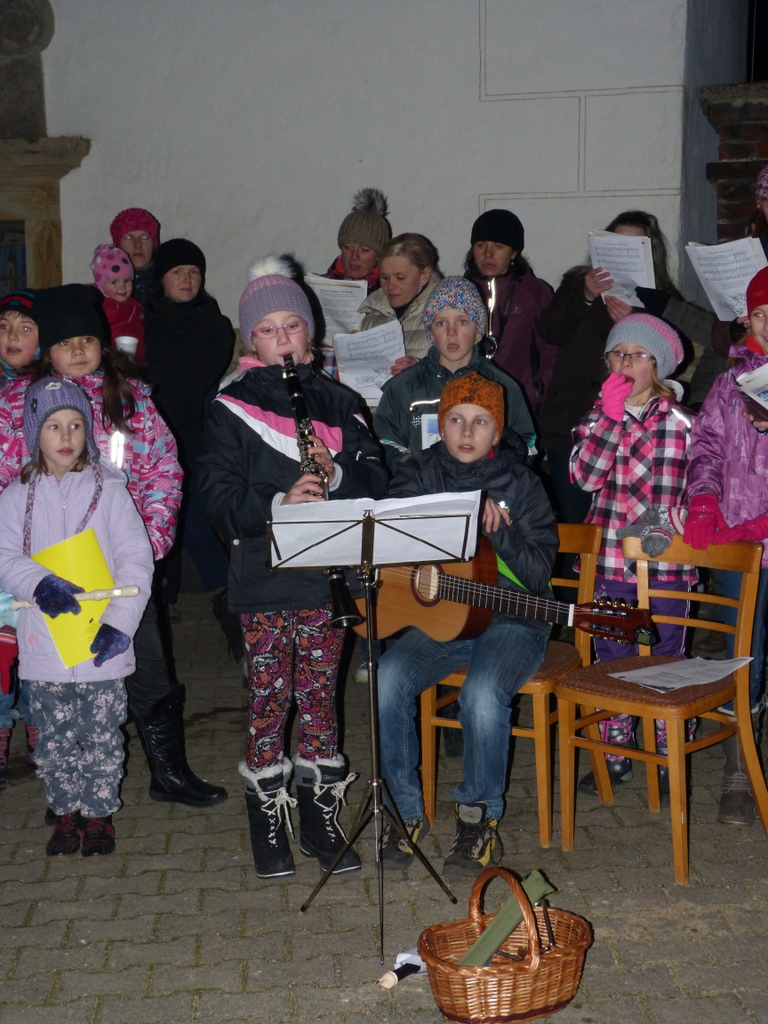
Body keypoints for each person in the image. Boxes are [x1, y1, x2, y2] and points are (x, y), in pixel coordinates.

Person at [0, 283, 227, 810]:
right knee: (58, 676)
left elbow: (163, 468)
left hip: (122, 565)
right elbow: (10, 479)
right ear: (47, 351)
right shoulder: (18, 406)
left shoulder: (130, 398)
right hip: (49, 571)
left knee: (148, 663)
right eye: (65, 343)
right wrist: (23, 562)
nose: (78, 351)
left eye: (87, 340)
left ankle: (169, 772)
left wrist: (149, 540)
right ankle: (69, 791)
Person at [197, 256, 388, 879]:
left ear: (310, 331)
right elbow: (218, 495)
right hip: (264, 576)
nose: (282, 339)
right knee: (269, 697)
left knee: (321, 697)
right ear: (251, 339)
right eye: (267, 330)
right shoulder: (230, 404)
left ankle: (319, 816)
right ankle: (268, 818)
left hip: (329, 574)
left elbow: (377, 478)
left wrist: (339, 472)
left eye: (292, 326)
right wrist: (278, 502)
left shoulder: (340, 400)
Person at [376, 373, 557, 876]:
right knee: (388, 678)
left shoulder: (522, 483)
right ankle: (403, 812)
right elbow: (392, 541)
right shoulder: (419, 473)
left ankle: (478, 818)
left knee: (480, 695)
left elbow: (538, 575)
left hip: (515, 618)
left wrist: (502, 534)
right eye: (456, 420)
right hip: (446, 619)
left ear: (497, 431)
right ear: (441, 425)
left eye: (481, 422)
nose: (467, 432)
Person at [0, 377, 153, 856]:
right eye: (52, 426)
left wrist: (120, 623)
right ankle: (65, 811)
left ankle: (99, 813)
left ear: (88, 430)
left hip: (99, 643)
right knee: (54, 739)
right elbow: (4, 556)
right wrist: (38, 583)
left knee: (102, 735)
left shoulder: (111, 492)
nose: (65, 436)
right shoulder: (15, 496)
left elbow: (136, 561)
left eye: (75, 425)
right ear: (34, 435)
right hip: (44, 646)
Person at [569, 313, 696, 794]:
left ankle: (668, 751)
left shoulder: (685, 424)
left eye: (637, 355)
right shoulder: (595, 419)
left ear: (657, 365)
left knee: (666, 656)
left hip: (667, 566)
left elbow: (703, 488)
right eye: (617, 354)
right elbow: (585, 479)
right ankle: (617, 750)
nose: (624, 362)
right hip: (609, 564)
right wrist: (608, 419)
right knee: (613, 655)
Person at [539, 210, 730, 524]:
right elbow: (550, 331)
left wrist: (635, 322)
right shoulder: (577, 283)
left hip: (638, 424)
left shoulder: (661, 298)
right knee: (577, 522)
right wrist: (586, 294)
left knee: (633, 516)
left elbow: (677, 355)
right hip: (572, 419)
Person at [683, 265, 768, 827]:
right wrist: (704, 500)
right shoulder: (729, 383)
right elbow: (707, 446)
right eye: (762, 314)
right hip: (743, 542)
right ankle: (740, 767)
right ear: (746, 318)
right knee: (746, 649)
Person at [143, 238, 237, 654]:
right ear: (161, 278)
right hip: (147, 444)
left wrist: (148, 376)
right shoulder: (145, 322)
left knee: (196, 526)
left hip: (191, 443)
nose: (187, 279)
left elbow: (191, 379)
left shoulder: (213, 324)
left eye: (194, 271)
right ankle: (153, 616)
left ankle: (235, 622)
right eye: (177, 271)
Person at [374, 276, 537, 475]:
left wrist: (491, 477)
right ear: (430, 332)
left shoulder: (502, 387)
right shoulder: (403, 387)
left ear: (478, 331)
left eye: (462, 322)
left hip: (484, 488)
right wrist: (417, 472)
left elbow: (525, 446)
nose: (451, 332)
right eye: (441, 323)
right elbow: (384, 441)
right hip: (421, 489)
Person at [0, 289, 40, 781]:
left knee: (32, 643)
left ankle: (38, 734)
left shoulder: (49, 391)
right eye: (4, 326)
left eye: (25, 328)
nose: (12, 336)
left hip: (35, 540)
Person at [464, 209, 555, 416]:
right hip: (467, 402)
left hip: (520, 406)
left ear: (514, 252)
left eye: (499, 246)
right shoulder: (459, 291)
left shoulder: (535, 292)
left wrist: (536, 392)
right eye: (481, 245)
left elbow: (553, 352)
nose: (488, 254)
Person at [358, 233, 443, 372]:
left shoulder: (446, 316)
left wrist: (418, 369)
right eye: (385, 277)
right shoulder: (372, 313)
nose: (390, 286)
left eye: (400, 277)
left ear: (424, 276)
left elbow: (460, 370)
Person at [325, 187, 391, 293]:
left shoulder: (391, 293)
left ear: (379, 255)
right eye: (347, 247)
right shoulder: (317, 289)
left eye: (364, 250)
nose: (354, 256)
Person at [90, 243, 145, 364]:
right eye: (114, 282)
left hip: (134, 361)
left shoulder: (135, 306)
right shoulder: (99, 306)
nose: (123, 287)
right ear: (101, 284)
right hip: (108, 361)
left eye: (127, 281)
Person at [109, 207, 160, 306]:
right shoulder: (107, 287)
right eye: (129, 238)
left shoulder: (169, 284)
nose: (138, 245)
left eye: (144, 237)